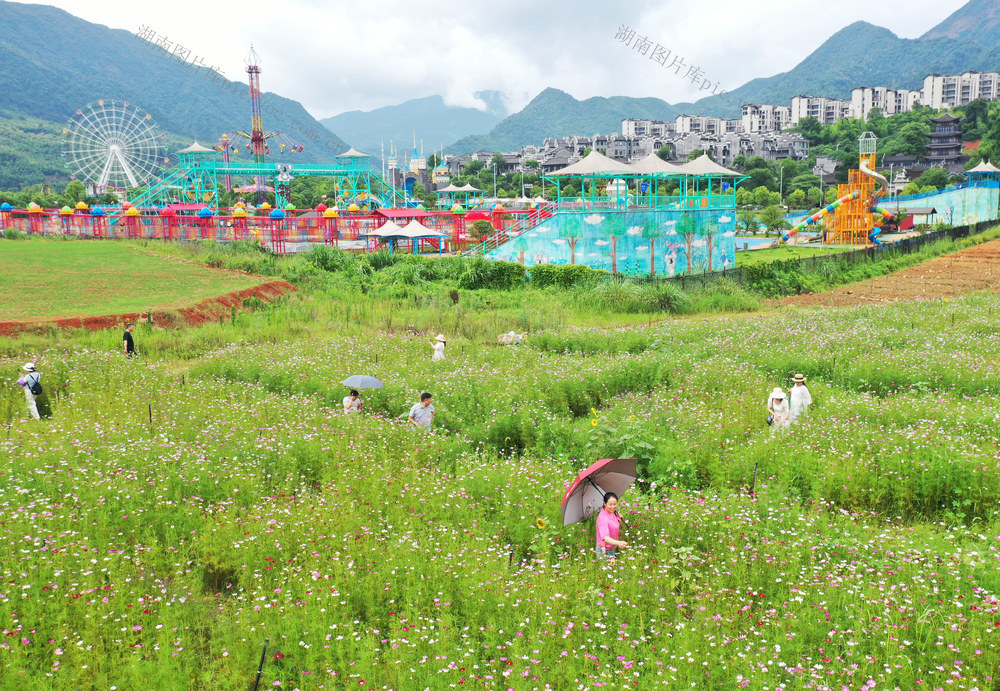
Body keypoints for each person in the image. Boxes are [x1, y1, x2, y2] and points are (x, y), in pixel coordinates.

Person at [595, 492, 627, 560]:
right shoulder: (602, 518)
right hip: (604, 550)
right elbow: (605, 538)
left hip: (612, 547)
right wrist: (619, 543)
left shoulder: (613, 513)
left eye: (615, 504)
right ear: (605, 503)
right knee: (607, 569)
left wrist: (619, 521)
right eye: (610, 504)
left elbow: (613, 528)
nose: (613, 507)